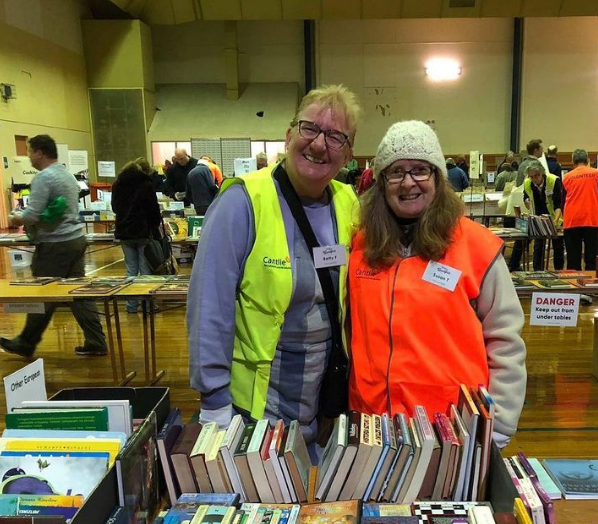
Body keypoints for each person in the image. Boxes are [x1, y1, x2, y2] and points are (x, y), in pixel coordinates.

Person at [187, 84, 361, 449]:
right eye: (309, 128)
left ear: (348, 154)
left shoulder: (348, 203)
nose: (318, 144)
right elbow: (209, 305)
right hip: (256, 408)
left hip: (324, 400)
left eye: (335, 136)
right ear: (288, 135)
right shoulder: (242, 200)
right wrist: (214, 399)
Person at [347, 120, 527, 448]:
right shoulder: (361, 248)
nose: (408, 182)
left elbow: (506, 343)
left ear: (437, 177)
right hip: (374, 432)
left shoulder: (476, 248)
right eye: (396, 171)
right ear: (382, 182)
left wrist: (496, 429)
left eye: (420, 170)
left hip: (452, 433)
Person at [0, 135, 107, 357]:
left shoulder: (43, 178)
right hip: (75, 239)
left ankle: (26, 343)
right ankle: (96, 340)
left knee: (43, 294)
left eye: (29, 152)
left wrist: (15, 218)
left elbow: (32, 214)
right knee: (78, 294)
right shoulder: (66, 174)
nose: (28, 156)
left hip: (55, 244)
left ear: (39, 152)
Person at [111, 157, 163, 313]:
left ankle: (131, 305)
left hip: (124, 232)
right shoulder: (145, 184)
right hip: (143, 231)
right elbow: (153, 210)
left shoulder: (117, 184)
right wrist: (154, 227)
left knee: (131, 269)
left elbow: (114, 208)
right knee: (145, 270)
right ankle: (147, 305)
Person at [508, 160, 564, 271]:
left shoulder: (554, 181)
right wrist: (527, 201)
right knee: (536, 243)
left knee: (558, 245)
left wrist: (555, 221)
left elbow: (559, 204)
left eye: (536, 176)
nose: (534, 179)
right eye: (531, 177)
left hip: (554, 218)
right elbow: (525, 196)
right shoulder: (528, 183)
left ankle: (559, 271)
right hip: (537, 218)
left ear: (542, 173)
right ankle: (534, 269)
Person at [562, 148, 598, 270]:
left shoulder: (566, 177)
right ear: (588, 160)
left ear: (573, 162)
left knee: (573, 259)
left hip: (572, 220)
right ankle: (591, 284)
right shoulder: (596, 173)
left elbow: (563, 203)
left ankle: (574, 285)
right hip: (591, 219)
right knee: (592, 258)